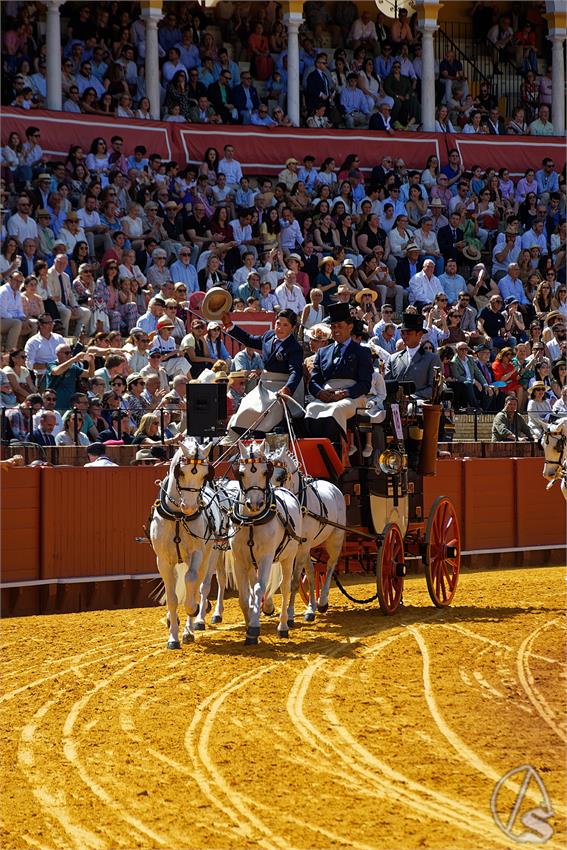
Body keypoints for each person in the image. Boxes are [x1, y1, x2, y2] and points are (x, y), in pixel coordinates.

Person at [220, 307, 304, 437]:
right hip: (264, 385)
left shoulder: (294, 347)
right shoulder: (269, 335)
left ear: (292, 328)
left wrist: (288, 389)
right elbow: (249, 340)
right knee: (246, 402)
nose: (280, 328)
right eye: (278, 323)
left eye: (285, 325)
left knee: (271, 407)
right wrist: (230, 325)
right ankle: (242, 435)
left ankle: (261, 435)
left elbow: (296, 372)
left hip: (283, 386)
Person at [304, 302, 373, 451]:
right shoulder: (323, 352)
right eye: (333, 327)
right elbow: (314, 380)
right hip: (327, 396)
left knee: (336, 410)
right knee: (311, 408)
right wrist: (320, 393)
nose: (336, 331)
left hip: (353, 396)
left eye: (339, 326)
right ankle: (316, 450)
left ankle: (335, 450)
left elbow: (365, 384)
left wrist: (346, 393)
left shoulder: (362, 352)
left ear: (350, 327)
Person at [385, 312, 440, 401]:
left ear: (420, 334)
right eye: (403, 333)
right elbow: (387, 385)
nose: (404, 336)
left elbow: (434, 388)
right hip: (395, 405)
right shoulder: (393, 358)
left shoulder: (432, 359)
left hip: (420, 406)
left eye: (409, 333)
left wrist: (412, 397)